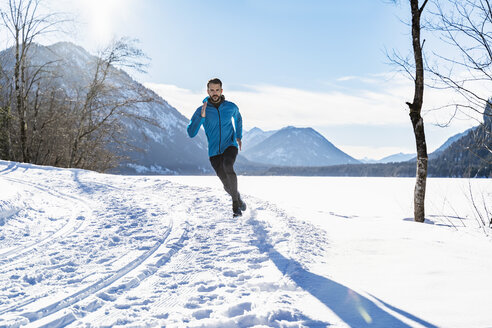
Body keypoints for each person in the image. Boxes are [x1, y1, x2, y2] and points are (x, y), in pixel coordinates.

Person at [187, 78, 247, 217]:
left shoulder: (230, 107)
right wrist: (201, 117)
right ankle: (238, 198)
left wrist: (238, 136)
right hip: (214, 152)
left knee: (228, 165)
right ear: (208, 91)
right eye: (212, 90)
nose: (215, 93)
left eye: (217, 90)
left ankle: (235, 207)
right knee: (226, 185)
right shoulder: (201, 109)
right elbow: (191, 133)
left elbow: (238, 118)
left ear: (221, 90)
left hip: (230, 145)